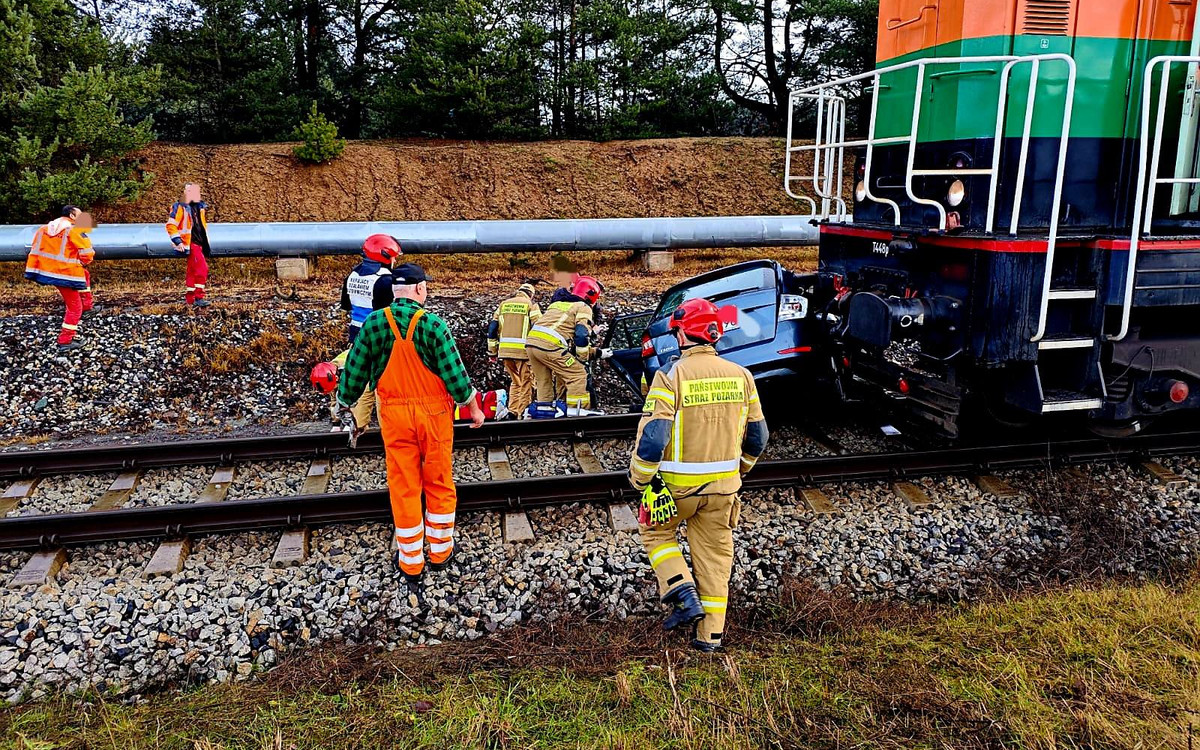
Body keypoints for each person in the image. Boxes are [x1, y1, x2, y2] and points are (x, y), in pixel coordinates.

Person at [627, 298, 769, 653]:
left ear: (681, 335)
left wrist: (640, 480)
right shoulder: (742, 376)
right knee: (716, 560)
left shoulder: (670, 376)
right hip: (724, 491)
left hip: (677, 490)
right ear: (715, 334)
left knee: (655, 533)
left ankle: (681, 591)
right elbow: (758, 436)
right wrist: (740, 469)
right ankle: (710, 640)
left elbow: (654, 438)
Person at [336, 263, 485, 598]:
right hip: (433, 416)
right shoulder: (433, 325)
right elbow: (456, 377)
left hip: (394, 416)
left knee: (403, 485)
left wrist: (344, 401)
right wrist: (473, 408)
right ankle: (441, 552)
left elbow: (355, 375)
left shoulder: (374, 324)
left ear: (393, 291)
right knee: (439, 481)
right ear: (419, 289)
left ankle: (411, 562)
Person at [525, 275, 607, 413]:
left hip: (531, 344)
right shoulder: (583, 307)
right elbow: (581, 334)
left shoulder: (557, 304)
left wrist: (596, 352)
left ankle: (545, 412)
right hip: (550, 346)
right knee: (577, 375)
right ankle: (577, 412)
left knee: (543, 381)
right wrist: (583, 357)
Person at [24, 206, 96, 353]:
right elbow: (87, 253)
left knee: (85, 275)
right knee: (75, 307)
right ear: (72, 216)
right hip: (66, 273)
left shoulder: (44, 229)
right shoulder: (74, 230)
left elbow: (37, 250)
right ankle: (66, 340)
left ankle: (87, 306)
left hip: (49, 271)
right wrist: (81, 263)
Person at [486, 282, 541, 418]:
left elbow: (492, 329)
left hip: (505, 352)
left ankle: (512, 411)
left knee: (516, 382)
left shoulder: (503, 305)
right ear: (531, 294)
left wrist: (492, 351)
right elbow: (538, 328)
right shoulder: (531, 305)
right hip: (523, 353)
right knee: (526, 383)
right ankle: (522, 414)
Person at [341, 234, 401, 343]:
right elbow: (390, 312)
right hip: (377, 333)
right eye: (394, 257)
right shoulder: (385, 280)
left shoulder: (352, 275)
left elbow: (346, 305)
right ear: (385, 256)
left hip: (355, 331)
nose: (395, 261)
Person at [165, 182, 212, 307]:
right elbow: (171, 225)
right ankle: (198, 297)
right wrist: (178, 241)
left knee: (192, 270)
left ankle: (191, 298)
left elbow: (200, 226)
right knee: (202, 269)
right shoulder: (179, 207)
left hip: (199, 243)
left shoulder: (200, 207)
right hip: (190, 243)